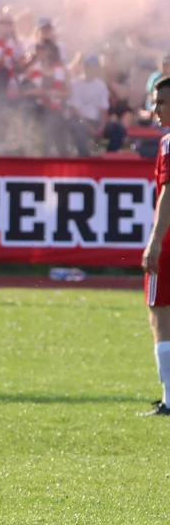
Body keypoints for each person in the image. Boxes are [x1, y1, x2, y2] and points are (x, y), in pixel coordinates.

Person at [140, 76, 170, 416]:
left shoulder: (168, 143)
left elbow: (168, 192)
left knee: (160, 315)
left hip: (169, 241)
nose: (155, 109)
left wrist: (155, 242)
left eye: (161, 102)